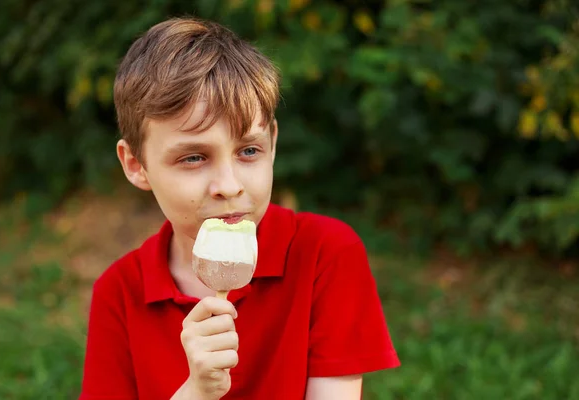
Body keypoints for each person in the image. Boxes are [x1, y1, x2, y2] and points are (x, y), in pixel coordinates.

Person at [79, 16, 400, 400]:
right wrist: (195, 392)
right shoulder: (119, 293)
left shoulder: (325, 254)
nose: (229, 186)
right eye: (194, 158)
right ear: (136, 164)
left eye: (249, 151)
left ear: (273, 143)